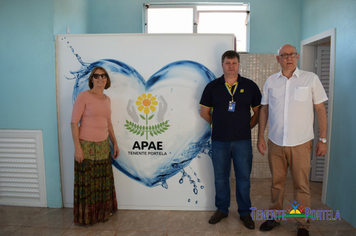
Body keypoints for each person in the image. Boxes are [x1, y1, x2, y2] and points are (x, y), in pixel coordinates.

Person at [257, 44, 328, 236]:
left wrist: (323, 139)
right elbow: (264, 109)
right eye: (284, 55)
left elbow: (320, 110)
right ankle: (275, 217)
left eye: (292, 55)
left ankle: (301, 223)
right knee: (277, 183)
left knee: (301, 185)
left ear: (297, 57)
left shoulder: (310, 79)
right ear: (277, 59)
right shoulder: (271, 81)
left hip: (301, 143)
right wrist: (260, 136)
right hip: (276, 142)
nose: (289, 58)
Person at [200, 50, 261, 229]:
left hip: (242, 141)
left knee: (243, 179)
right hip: (219, 141)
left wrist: (246, 126)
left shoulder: (250, 86)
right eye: (228, 63)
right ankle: (222, 209)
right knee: (220, 178)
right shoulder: (212, 87)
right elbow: (204, 113)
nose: (231, 66)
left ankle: (244, 212)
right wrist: (219, 125)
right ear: (222, 65)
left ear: (239, 65)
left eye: (234, 63)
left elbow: (258, 112)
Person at [71, 66, 119, 226]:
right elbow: (73, 122)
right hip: (86, 145)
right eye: (97, 76)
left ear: (107, 79)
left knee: (102, 181)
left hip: (103, 146)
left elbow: (109, 123)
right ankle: (87, 216)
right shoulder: (83, 96)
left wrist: (115, 142)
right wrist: (78, 148)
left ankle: (102, 212)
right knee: (88, 182)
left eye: (104, 76)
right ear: (92, 79)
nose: (100, 79)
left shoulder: (107, 99)